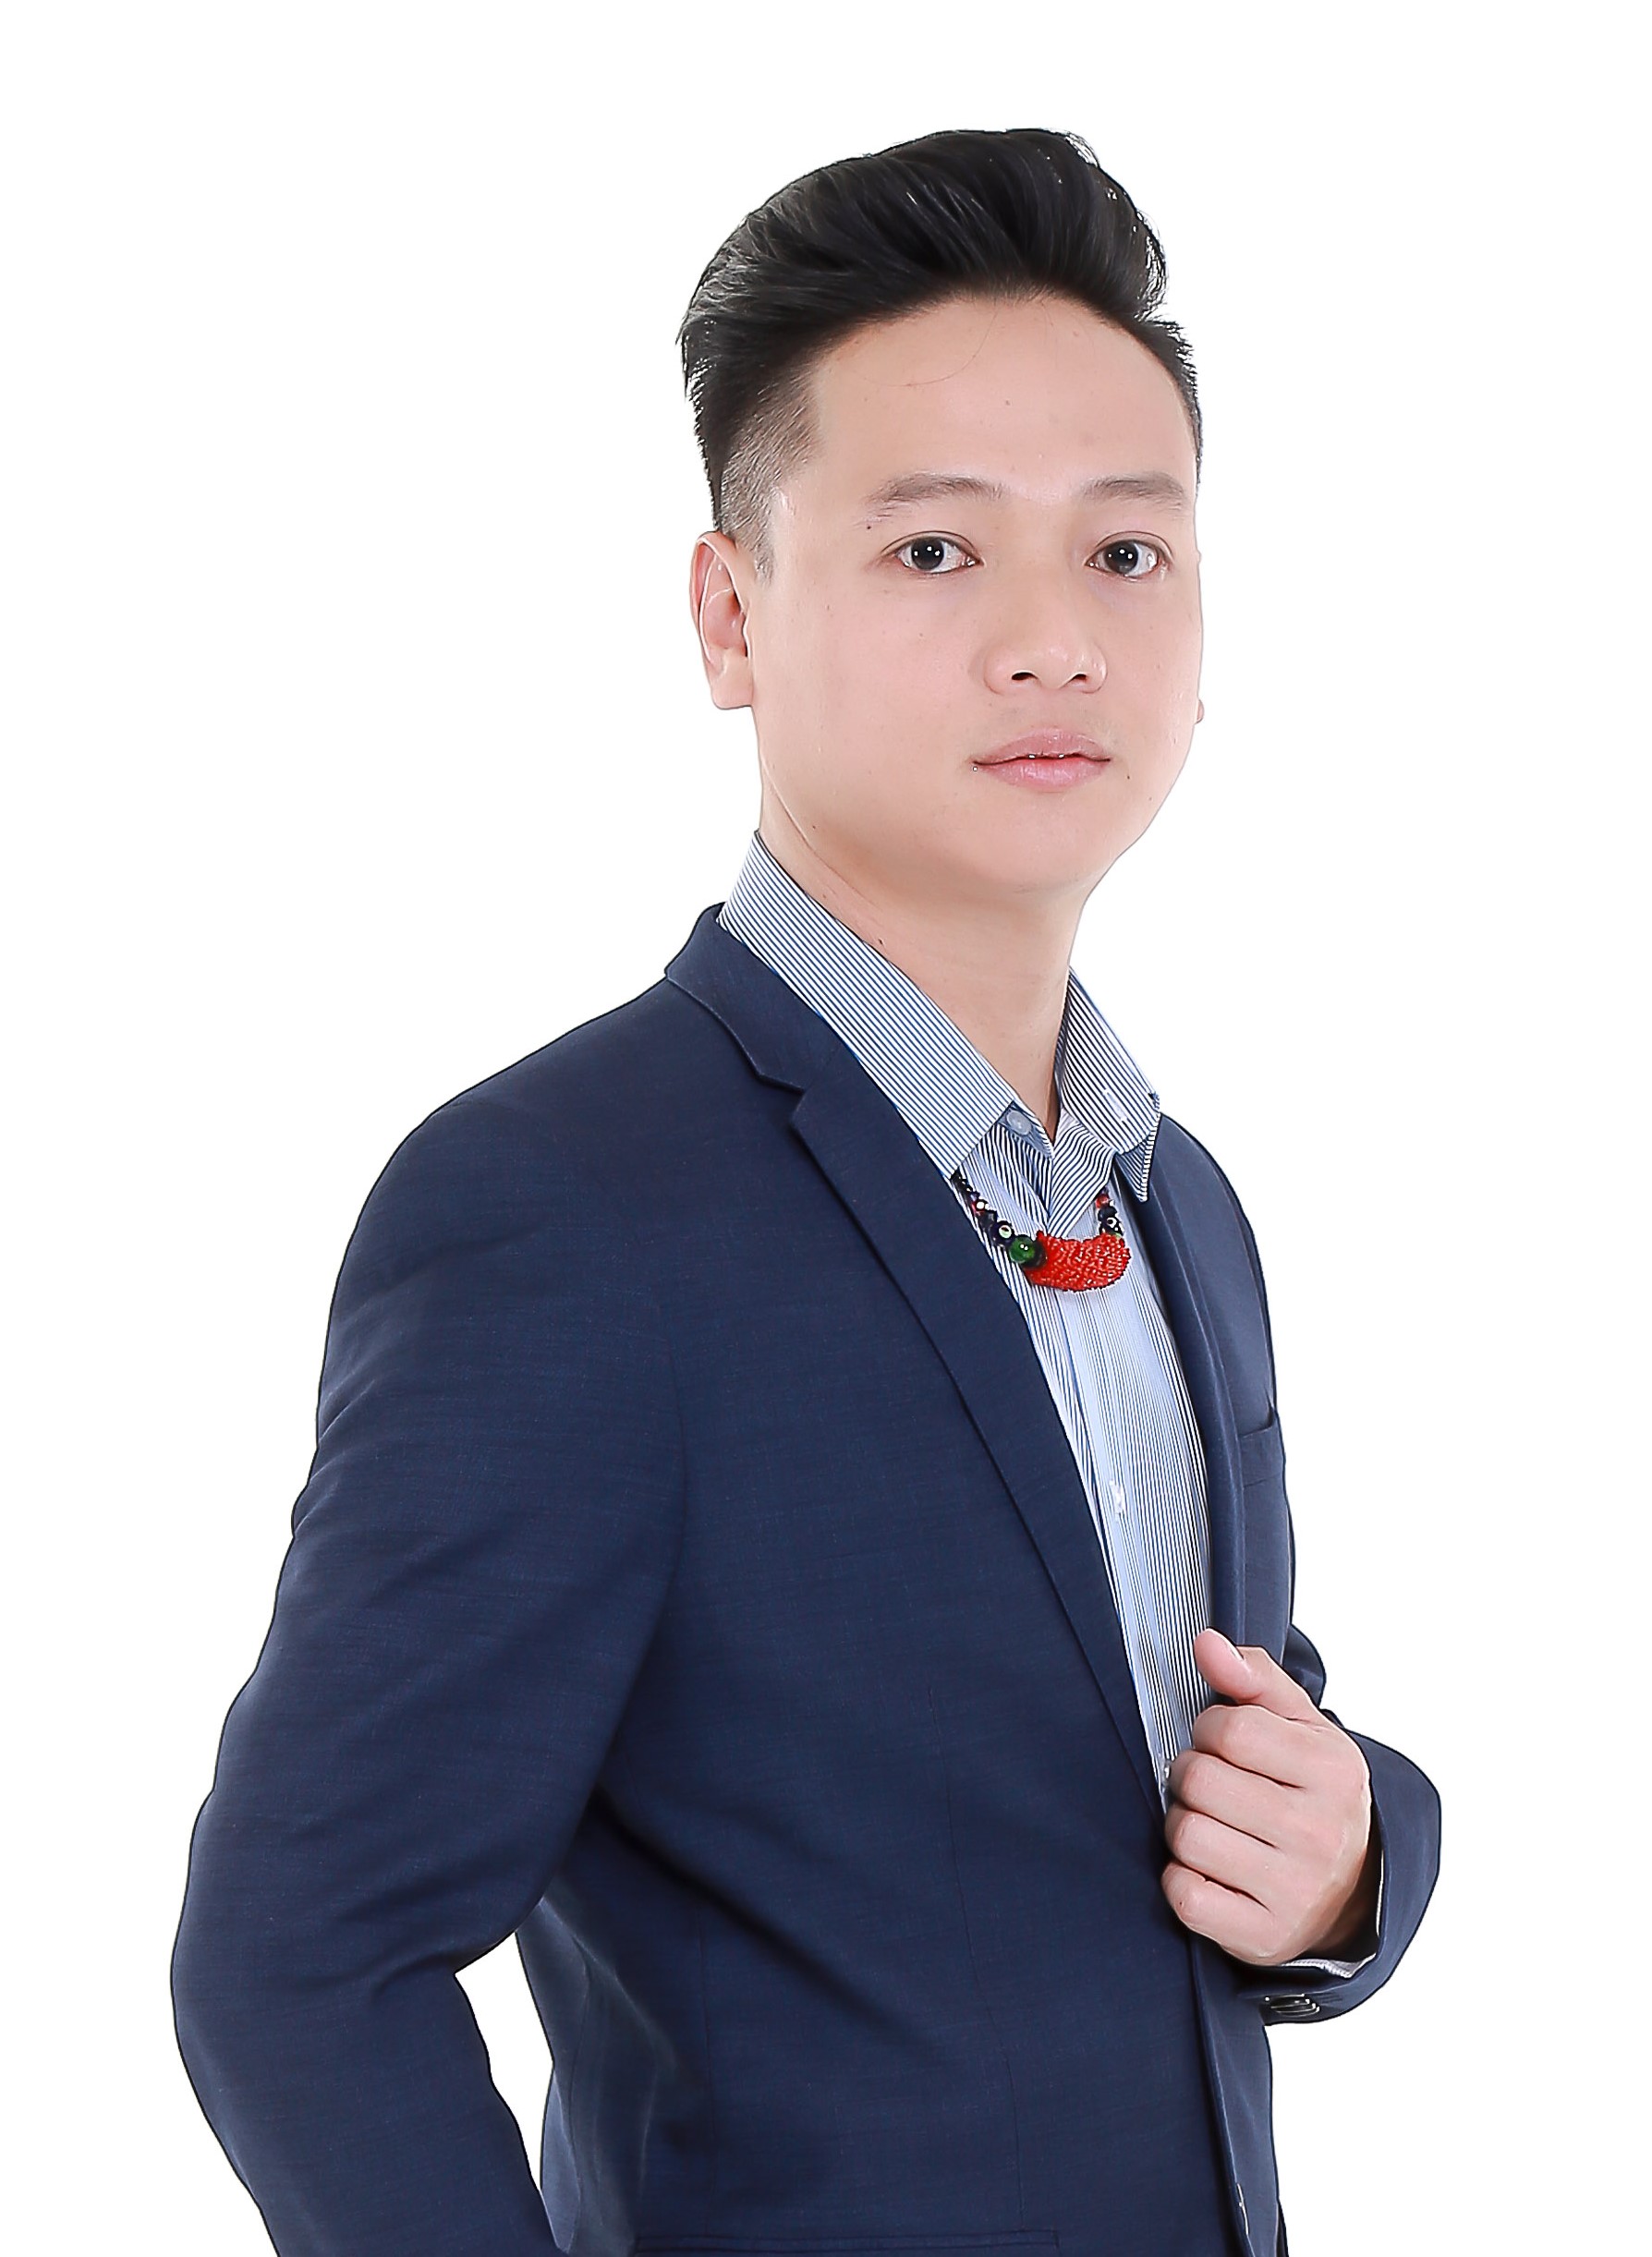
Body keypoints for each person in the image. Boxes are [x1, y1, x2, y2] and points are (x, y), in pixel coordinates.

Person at [172, 125, 1440, 2257]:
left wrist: (1352, 1861)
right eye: (934, 550)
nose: (1052, 640)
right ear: (729, 611)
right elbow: (300, 1960)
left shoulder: (1176, 1196)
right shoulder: (558, 1209)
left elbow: (1187, 1710)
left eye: (1124, 550)